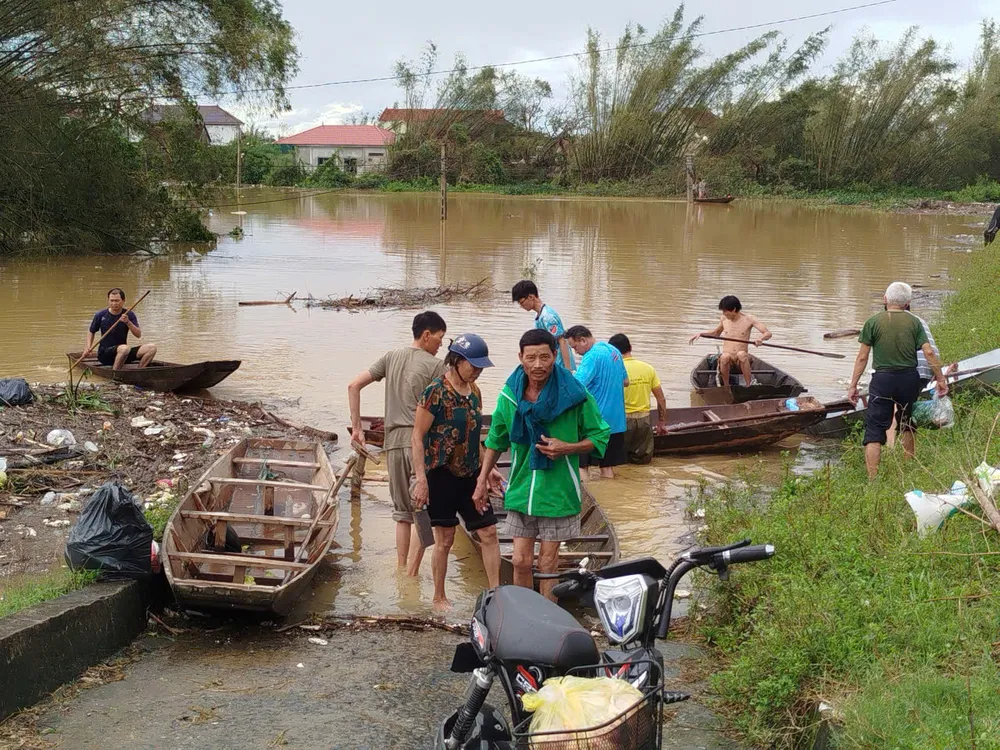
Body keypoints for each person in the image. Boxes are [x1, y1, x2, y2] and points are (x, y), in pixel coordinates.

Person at [473, 329, 610, 601]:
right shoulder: (510, 395)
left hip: (557, 492)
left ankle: (549, 614)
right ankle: (526, 613)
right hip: (521, 488)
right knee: (520, 561)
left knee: (547, 563)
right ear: (520, 357)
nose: (538, 365)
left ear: (555, 356)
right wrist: (481, 480)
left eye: (545, 357)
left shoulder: (575, 394)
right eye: (531, 358)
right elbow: (496, 439)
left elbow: (600, 435)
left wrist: (567, 447)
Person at [348, 311, 447, 575]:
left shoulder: (391, 357)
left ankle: (401, 570)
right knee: (421, 510)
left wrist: (357, 429)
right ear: (426, 335)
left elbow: (353, 386)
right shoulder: (437, 367)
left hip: (391, 444)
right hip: (419, 445)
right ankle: (412, 577)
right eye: (440, 338)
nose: (441, 344)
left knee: (402, 514)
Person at [411, 334, 501, 611]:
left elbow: (475, 435)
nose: (478, 371)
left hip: (471, 474)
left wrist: (488, 469)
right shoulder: (435, 392)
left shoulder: (475, 392)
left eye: (481, 367)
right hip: (441, 474)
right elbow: (417, 437)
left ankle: (496, 594)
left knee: (489, 532)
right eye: (474, 366)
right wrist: (421, 480)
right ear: (457, 361)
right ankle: (439, 596)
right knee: (445, 538)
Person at [847, 282, 948, 479]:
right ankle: (908, 467)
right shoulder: (915, 322)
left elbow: (862, 357)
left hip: (882, 379)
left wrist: (853, 386)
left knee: (874, 428)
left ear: (885, 299)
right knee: (907, 421)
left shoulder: (873, 322)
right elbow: (928, 352)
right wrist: (941, 379)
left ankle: (873, 479)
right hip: (908, 379)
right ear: (907, 303)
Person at [564, 325, 628, 478]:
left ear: (583, 340)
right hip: (616, 422)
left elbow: (575, 387)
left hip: (594, 422)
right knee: (607, 467)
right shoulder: (614, 351)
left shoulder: (591, 357)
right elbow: (626, 381)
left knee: (582, 466)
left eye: (575, 347)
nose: (575, 352)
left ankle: (584, 494)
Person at [688, 296, 772, 388]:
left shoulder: (749, 319)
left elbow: (768, 333)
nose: (724, 314)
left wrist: (760, 339)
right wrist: (701, 334)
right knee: (725, 356)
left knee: (741, 354)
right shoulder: (724, 319)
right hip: (728, 362)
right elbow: (716, 333)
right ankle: (726, 386)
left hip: (741, 361)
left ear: (734, 309)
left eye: (725, 311)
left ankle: (749, 386)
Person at [609, 333, 668, 464]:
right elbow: (661, 399)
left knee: (618, 462)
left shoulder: (613, 369)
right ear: (630, 347)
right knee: (643, 462)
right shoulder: (648, 368)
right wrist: (661, 422)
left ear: (612, 353)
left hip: (621, 421)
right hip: (644, 420)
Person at [85, 288, 157, 370]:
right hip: (105, 354)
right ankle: (115, 373)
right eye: (111, 300)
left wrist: (128, 322)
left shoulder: (129, 314)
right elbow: (91, 331)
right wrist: (88, 347)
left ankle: (139, 371)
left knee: (152, 348)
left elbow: (138, 335)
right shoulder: (101, 315)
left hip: (124, 353)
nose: (114, 303)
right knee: (125, 348)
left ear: (123, 301)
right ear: (108, 301)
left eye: (117, 301)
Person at [511, 280, 575, 371]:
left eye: (522, 302)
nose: (521, 306)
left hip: (560, 363)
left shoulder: (548, 317)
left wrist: (568, 369)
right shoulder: (539, 315)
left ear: (531, 297)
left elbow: (562, 341)